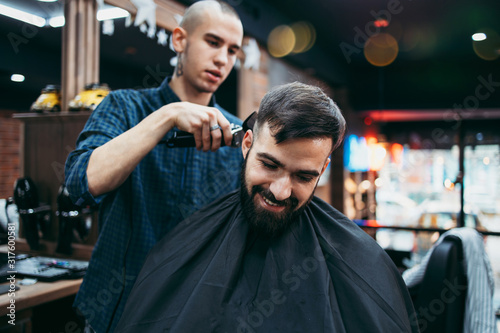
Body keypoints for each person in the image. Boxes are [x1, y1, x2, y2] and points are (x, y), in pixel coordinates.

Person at [115, 82, 419, 332]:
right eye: (269, 164)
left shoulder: (359, 258)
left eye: (303, 176)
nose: (280, 190)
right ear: (247, 144)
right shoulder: (191, 237)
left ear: (323, 169)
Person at [64, 1, 244, 331]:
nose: (222, 59)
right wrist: (167, 116)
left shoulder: (234, 135)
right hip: (116, 311)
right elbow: (80, 185)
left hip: (193, 316)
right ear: (179, 40)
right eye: (213, 42)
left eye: (233, 51)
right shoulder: (123, 106)